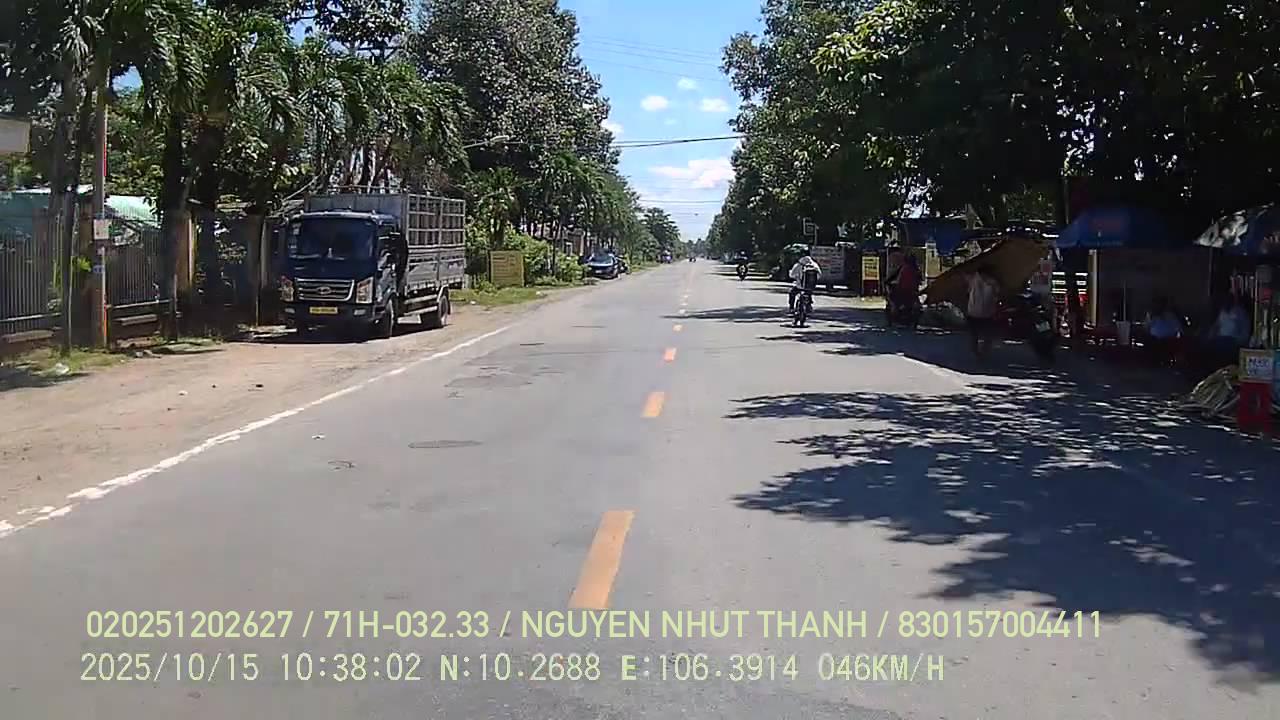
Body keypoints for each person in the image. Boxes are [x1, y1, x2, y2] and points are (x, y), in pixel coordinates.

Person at [966, 267, 1000, 356]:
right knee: (987, 335)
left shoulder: (972, 279)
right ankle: (982, 352)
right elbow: (997, 295)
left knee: (975, 335)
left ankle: (977, 352)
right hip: (986, 313)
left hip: (974, 312)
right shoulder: (993, 282)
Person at [1140, 297, 1183, 365]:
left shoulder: (1170, 316)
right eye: (1156, 305)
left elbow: (1178, 329)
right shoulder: (1152, 316)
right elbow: (1145, 328)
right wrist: (1150, 319)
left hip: (1168, 340)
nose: (1158, 306)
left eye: (1160, 304)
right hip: (1154, 340)